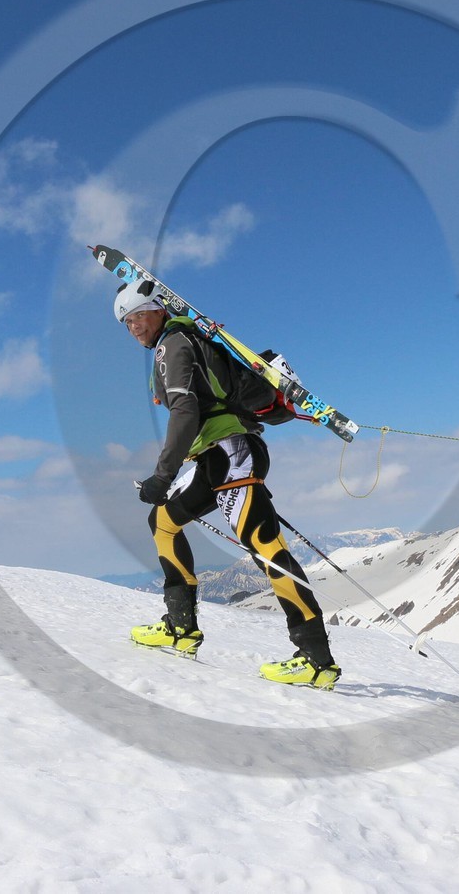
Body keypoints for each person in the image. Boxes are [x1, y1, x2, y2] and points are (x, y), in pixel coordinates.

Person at [114, 279, 341, 689]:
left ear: (157, 310)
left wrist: (162, 475)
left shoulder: (172, 345)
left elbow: (184, 412)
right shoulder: (187, 340)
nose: (133, 327)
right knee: (163, 523)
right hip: (217, 458)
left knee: (267, 549)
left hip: (231, 454)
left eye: (137, 316)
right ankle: (180, 627)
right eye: (126, 322)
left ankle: (315, 659)